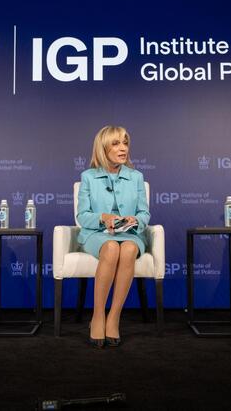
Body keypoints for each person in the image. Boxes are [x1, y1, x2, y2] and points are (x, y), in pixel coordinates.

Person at [77, 126, 150, 348]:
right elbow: (82, 216)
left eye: (125, 143)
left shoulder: (136, 177)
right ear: (103, 148)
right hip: (97, 234)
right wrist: (103, 218)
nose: (123, 149)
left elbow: (144, 213)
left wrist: (136, 221)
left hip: (129, 234)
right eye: (116, 143)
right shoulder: (88, 177)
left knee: (127, 249)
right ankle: (98, 316)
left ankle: (114, 316)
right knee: (110, 247)